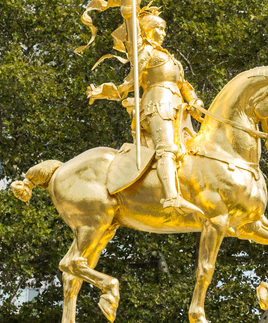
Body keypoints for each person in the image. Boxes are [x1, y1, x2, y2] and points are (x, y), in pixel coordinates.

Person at [87, 11, 204, 212]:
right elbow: (131, 80)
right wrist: (107, 91)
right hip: (157, 106)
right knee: (166, 148)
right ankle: (171, 197)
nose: (163, 33)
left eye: (164, 29)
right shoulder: (146, 51)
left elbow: (184, 84)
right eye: (159, 28)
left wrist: (194, 100)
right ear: (148, 30)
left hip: (178, 109)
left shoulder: (171, 58)